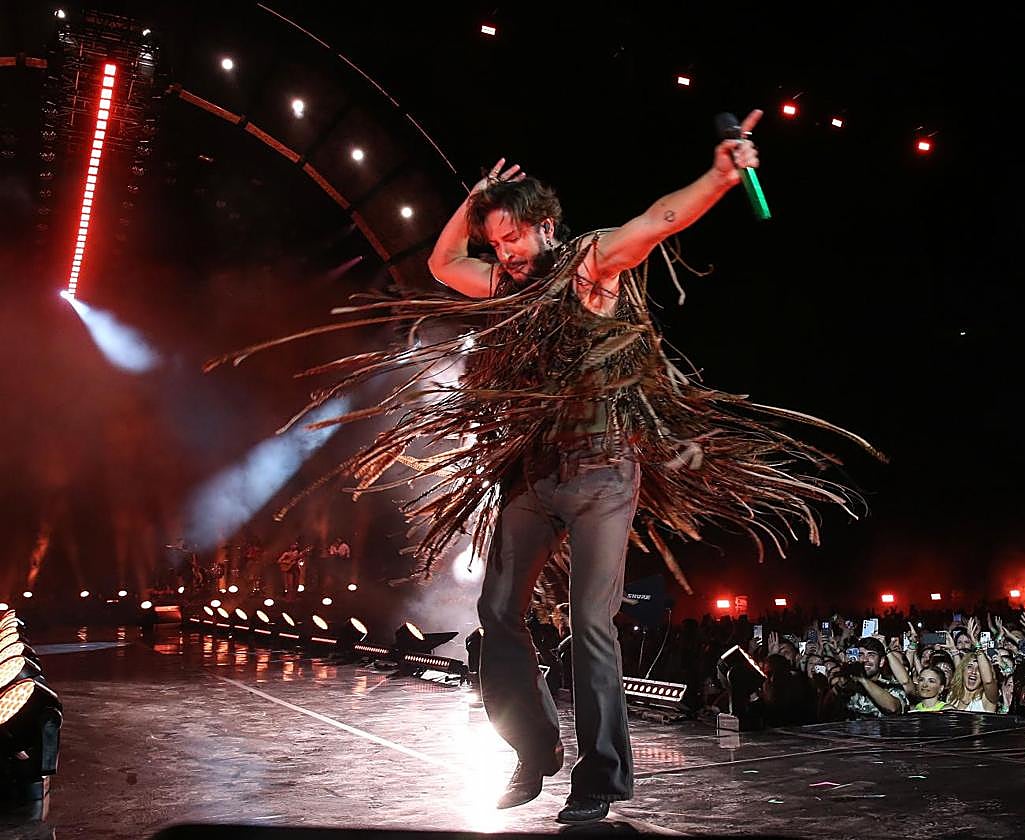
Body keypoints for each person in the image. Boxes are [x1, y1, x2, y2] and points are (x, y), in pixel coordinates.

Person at [207, 108, 881, 824]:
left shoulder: (589, 264)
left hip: (601, 471)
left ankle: (601, 777)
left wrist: (719, 175)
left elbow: (658, 219)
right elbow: (440, 266)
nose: (504, 253)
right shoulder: (507, 289)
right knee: (497, 610)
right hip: (533, 472)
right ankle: (535, 749)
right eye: (493, 242)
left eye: (513, 236)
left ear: (546, 225)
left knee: (591, 622)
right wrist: (469, 209)